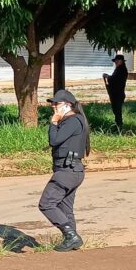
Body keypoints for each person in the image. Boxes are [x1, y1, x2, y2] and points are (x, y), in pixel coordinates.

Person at [39, 89, 90, 252]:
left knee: (46, 203)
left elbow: (54, 140)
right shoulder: (75, 120)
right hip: (72, 171)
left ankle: (71, 236)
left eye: (57, 104)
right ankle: (72, 241)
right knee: (65, 208)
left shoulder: (72, 121)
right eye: (52, 104)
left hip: (67, 172)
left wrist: (54, 122)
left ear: (68, 105)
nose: (53, 106)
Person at [103, 54, 128, 131]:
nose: (116, 62)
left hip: (118, 94)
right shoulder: (119, 69)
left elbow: (114, 79)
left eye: (118, 60)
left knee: (117, 111)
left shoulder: (121, 70)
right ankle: (117, 125)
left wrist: (107, 76)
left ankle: (119, 126)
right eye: (116, 61)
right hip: (116, 93)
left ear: (122, 61)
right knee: (116, 111)